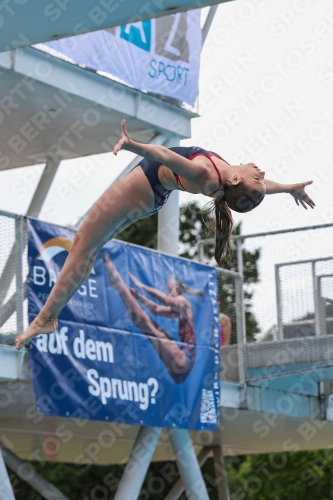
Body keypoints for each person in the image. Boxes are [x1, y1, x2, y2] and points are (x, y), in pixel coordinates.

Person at [16, 119, 315, 349]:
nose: (262, 174)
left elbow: (165, 154)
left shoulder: (208, 174)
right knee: (86, 250)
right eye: (262, 180)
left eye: (257, 178)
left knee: (81, 244)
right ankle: (50, 315)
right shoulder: (229, 180)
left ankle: (45, 319)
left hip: (142, 187)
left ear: (236, 179)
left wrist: (134, 146)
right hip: (150, 194)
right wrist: (288, 188)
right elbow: (259, 187)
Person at [103, 254, 204, 383]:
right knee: (146, 326)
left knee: (150, 327)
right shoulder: (178, 311)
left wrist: (142, 286)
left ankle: (118, 283)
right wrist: (138, 296)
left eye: (170, 290)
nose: (168, 293)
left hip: (184, 360)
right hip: (177, 369)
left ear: (177, 289)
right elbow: (155, 309)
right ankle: (120, 287)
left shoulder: (184, 303)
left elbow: (166, 300)